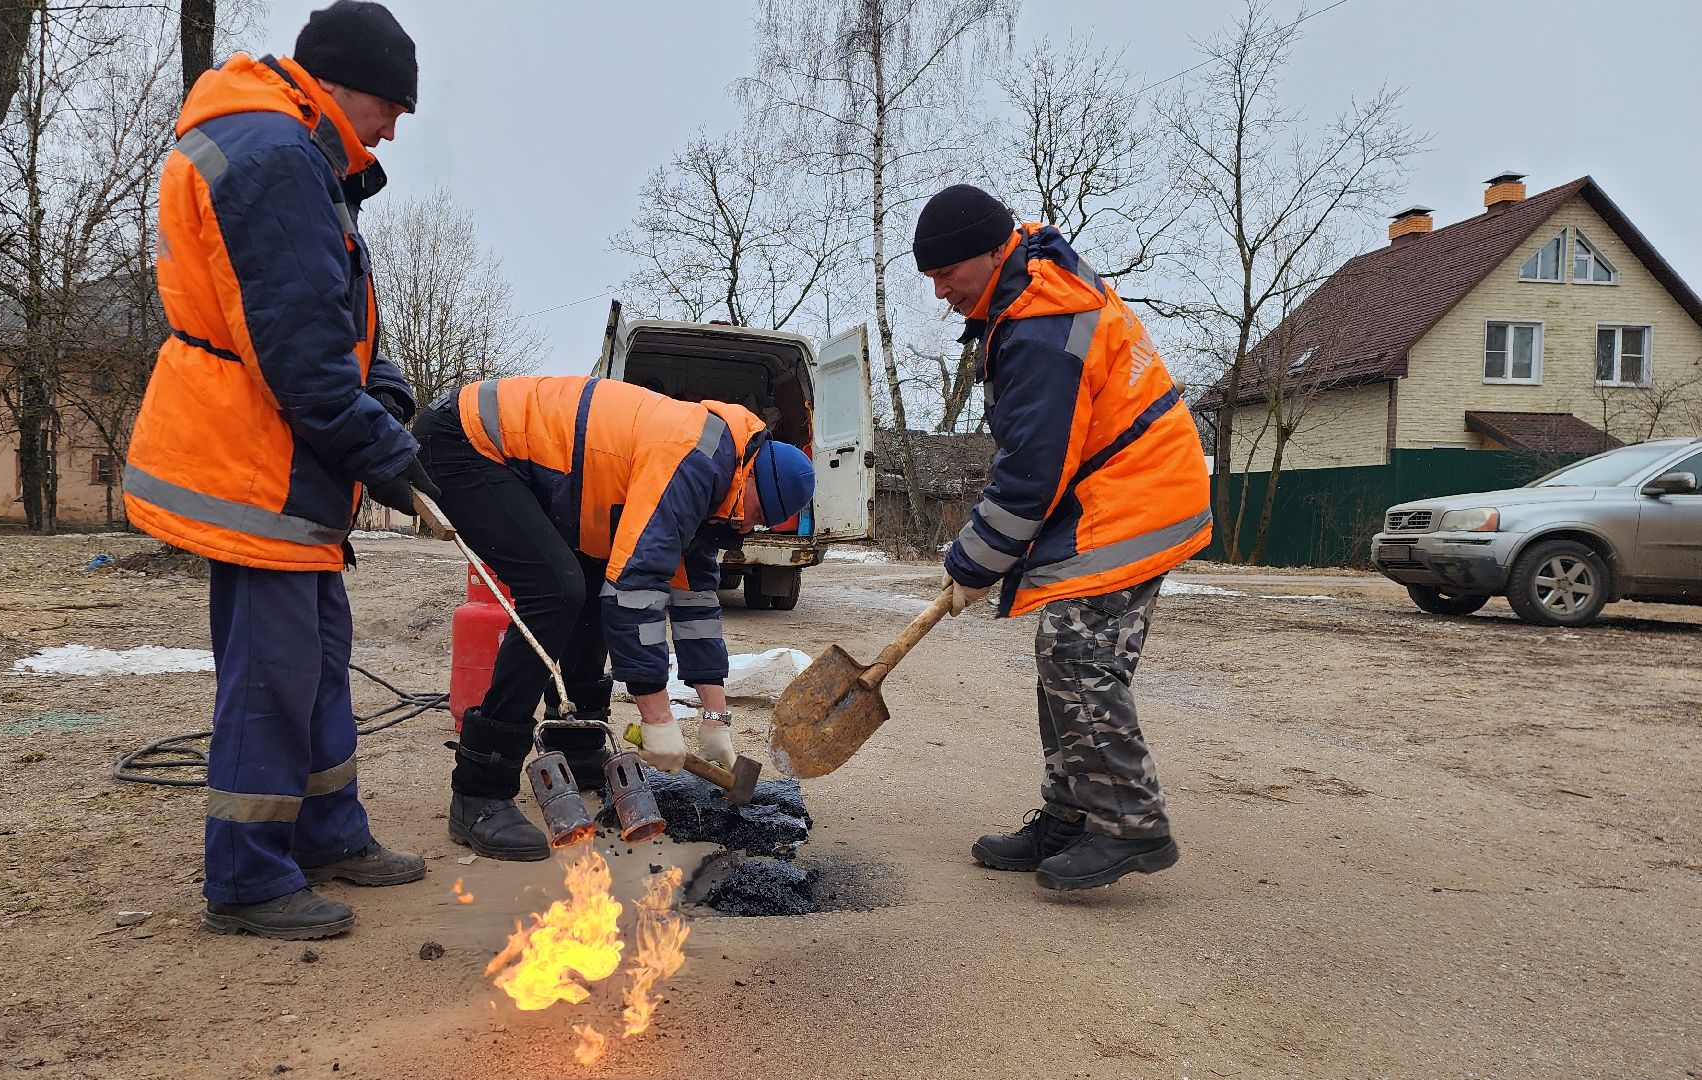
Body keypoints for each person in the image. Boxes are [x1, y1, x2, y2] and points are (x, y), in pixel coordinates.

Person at [123, 1, 439, 939]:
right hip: (252, 466)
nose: (394, 129)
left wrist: (388, 400)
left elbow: (338, 316)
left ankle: (327, 833)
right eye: (391, 106)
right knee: (271, 678)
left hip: (296, 477)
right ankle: (249, 880)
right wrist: (390, 461)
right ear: (340, 83)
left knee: (319, 669)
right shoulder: (270, 156)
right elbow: (300, 357)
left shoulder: (307, 159)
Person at [913, 184, 1212, 892]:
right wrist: (982, 562)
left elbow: (1031, 477)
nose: (939, 292)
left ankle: (1132, 824)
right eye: (929, 276)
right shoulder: (1027, 298)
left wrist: (973, 564)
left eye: (947, 273)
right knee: (1065, 652)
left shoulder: (1042, 327)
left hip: (1138, 499)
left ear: (993, 253)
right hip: (1116, 491)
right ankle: (1072, 814)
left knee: (1077, 651)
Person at [414, 376, 816, 861]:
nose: (748, 525)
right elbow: (636, 587)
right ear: (749, 478)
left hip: (508, 458)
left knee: (586, 577)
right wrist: (657, 717)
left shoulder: (719, 480)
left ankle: (579, 744)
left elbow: (695, 605)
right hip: (467, 440)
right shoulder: (693, 462)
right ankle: (479, 788)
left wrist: (715, 718)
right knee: (555, 590)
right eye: (755, 513)